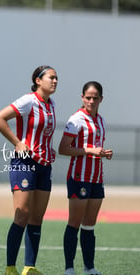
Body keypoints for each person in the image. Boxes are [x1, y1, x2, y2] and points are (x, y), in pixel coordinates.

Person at [0, 65, 58, 275]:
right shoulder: (28, 100)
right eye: (51, 78)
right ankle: (10, 267)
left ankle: (29, 267)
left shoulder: (51, 104)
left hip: (44, 166)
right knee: (22, 215)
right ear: (38, 80)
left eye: (56, 78)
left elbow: (43, 133)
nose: (55, 81)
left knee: (36, 219)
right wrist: (17, 143)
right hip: (25, 163)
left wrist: (49, 148)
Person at [59, 81, 113, 275]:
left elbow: (95, 149)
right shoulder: (76, 119)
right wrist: (91, 150)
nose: (91, 101)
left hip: (97, 177)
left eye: (95, 98)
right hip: (79, 177)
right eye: (88, 97)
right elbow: (63, 148)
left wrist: (103, 153)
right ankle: (69, 268)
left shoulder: (101, 121)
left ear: (101, 99)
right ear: (82, 97)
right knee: (74, 223)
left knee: (89, 225)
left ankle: (89, 267)